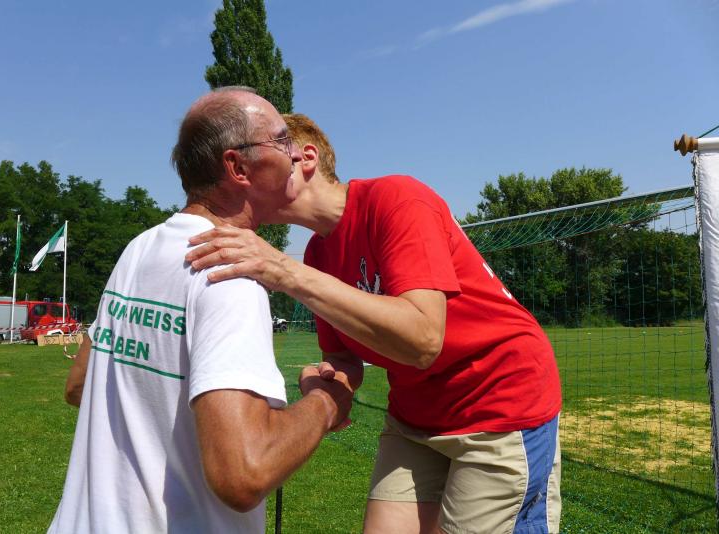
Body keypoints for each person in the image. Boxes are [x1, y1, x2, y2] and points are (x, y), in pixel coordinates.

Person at [186, 113, 563, 534]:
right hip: (416, 415)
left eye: (258, 162)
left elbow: (423, 340)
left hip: (500, 402)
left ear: (304, 158)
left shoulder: (397, 198)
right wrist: (327, 387)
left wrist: (283, 270)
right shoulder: (317, 255)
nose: (241, 180)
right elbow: (343, 357)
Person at [48, 91, 353, 534]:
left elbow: (80, 386)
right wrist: (329, 401)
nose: (295, 155)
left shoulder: (140, 248)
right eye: (281, 140)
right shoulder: (229, 274)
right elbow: (242, 475)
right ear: (238, 168)